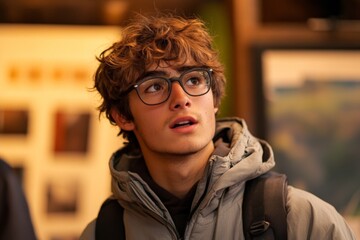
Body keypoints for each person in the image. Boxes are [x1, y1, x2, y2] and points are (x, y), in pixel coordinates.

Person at [80, 12, 356, 239]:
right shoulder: (103, 233)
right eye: (154, 86)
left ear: (213, 100)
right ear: (123, 116)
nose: (181, 99)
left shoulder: (304, 221)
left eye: (194, 80)